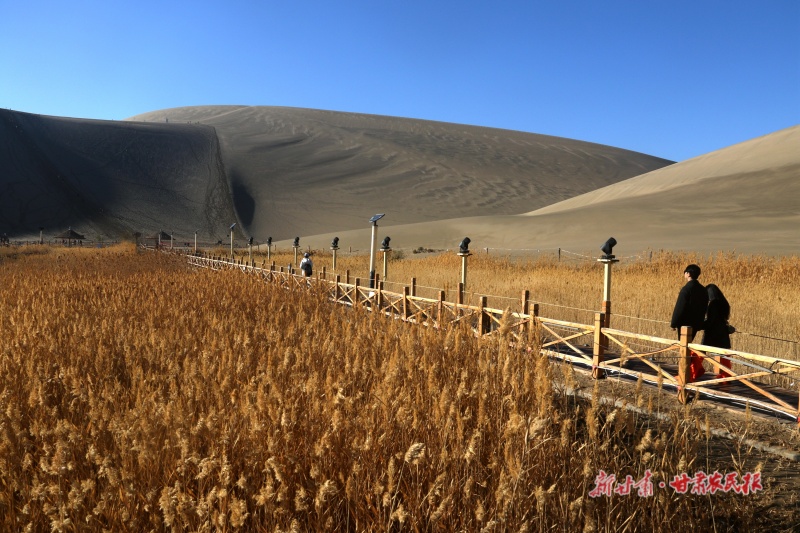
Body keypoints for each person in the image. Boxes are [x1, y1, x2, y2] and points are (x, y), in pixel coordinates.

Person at [670, 264, 708, 381]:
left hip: (684, 325)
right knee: (688, 347)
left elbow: (680, 308)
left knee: (684, 348)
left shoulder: (686, 289)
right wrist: (700, 322)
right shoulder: (703, 290)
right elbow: (704, 308)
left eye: (685, 272)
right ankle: (692, 371)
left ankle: (685, 374)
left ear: (688, 274)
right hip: (696, 324)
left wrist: (673, 323)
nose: (684, 274)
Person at [702, 284, 733, 379]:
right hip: (723, 333)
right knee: (724, 355)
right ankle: (726, 376)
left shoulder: (713, 304)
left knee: (701, 352)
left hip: (712, 333)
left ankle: (693, 371)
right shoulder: (724, 303)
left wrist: (700, 325)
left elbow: (711, 321)